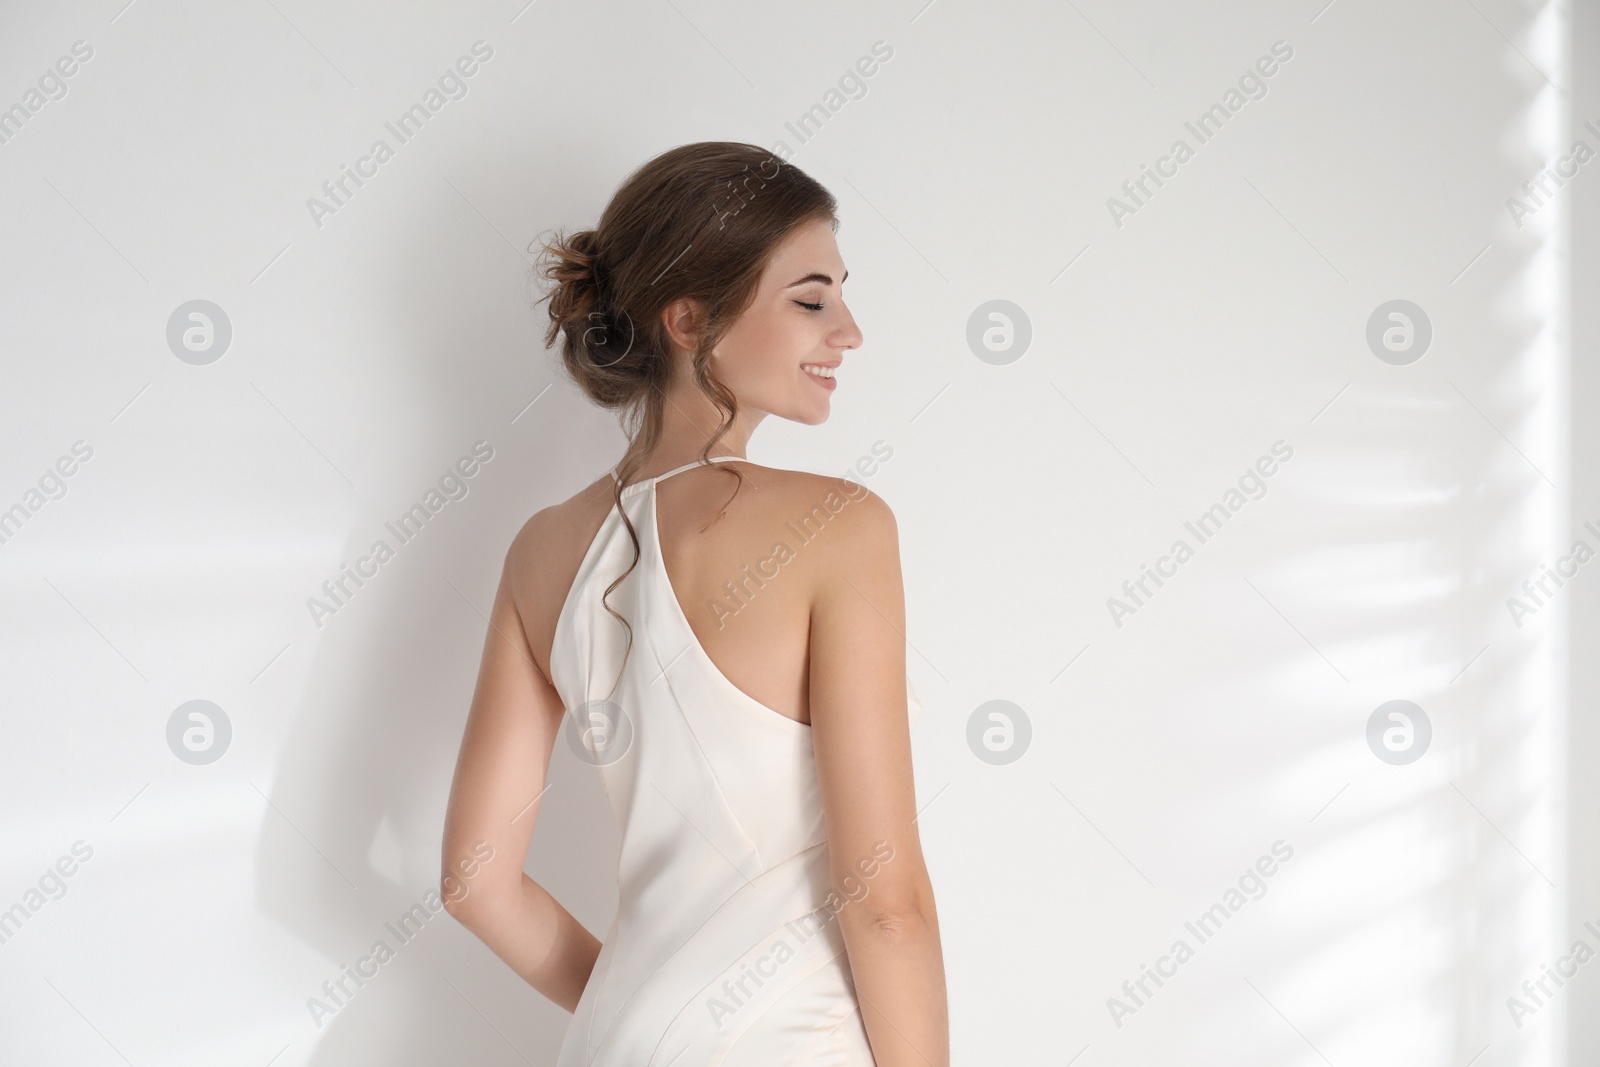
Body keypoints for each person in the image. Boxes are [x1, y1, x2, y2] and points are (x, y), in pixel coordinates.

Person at [441, 141, 948, 1066]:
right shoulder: (840, 526)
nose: (849, 330)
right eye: (810, 299)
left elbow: (476, 884)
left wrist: (647, 1014)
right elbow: (886, 902)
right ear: (687, 319)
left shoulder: (540, 550)